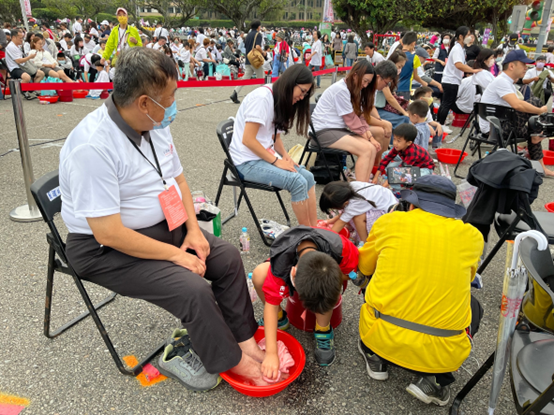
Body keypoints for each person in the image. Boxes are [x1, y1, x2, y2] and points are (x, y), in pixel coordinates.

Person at [59, 48, 268, 392]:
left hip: (161, 227)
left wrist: (192, 231)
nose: (174, 103)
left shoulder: (153, 122)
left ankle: (244, 340)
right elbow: (109, 233)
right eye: (170, 97)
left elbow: (179, 180)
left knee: (227, 257)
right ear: (144, 102)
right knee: (193, 290)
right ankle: (231, 360)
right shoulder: (92, 147)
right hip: (104, 248)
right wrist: (175, 254)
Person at [358, 175, 484, 407]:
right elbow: (465, 281)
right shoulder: (472, 236)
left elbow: (364, 267)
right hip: (440, 353)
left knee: (374, 278)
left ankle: (375, 356)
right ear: (450, 210)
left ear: (412, 204)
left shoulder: (390, 222)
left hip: (381, 336)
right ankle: (435, 381)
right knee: (473, 305)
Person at [251, 226, 359, 371]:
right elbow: (270, 305)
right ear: (293, 273)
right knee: (259, 275)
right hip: (290, 259)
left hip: (320, 266)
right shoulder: (281, 264)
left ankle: (323, 330)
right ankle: (280, 318)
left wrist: (340, 277)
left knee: (323, 290)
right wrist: (271, 353)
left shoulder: (343, 249)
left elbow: (356, 273)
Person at [229, 65, 317, 226]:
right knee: (297, 182)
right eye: (302, 91)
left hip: (262, 156)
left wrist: (286, 157)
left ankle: (314, 228)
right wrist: (277, 162)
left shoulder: (278, 96)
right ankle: (307, 235)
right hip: (246, 162)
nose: (303, 97)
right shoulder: (263, 98)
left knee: (308, 177)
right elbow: (248, 140)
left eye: (306, 94)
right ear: (291, 82)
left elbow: (275, 138)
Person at [312, 60, 391, 182]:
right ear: (355, 75)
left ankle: (364, 185)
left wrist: (370, 137)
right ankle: (361, 188)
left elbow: (359, 117)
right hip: (322, 132)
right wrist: (369, 137)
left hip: (337, 130)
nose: (365, 85)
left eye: (368, 83)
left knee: (371, 148)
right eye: (365, 81)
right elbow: (352, 121)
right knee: (365, 149)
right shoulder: (341, 90)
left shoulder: (352, 89)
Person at [479, 50, 553, 177]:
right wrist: (541, 111)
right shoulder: (502, 81)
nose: (526, 67)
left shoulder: (507, 81)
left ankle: (540, 164)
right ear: (512, 66)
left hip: (500, 124)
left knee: (534, 129)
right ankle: (540, 161)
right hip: (495, 128)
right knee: (534, 106)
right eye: (523, 65)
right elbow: (517, 105)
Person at [319, 181, 397, 243]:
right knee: (348, 213)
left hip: (389, 212)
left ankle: (364, 243)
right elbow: (344, 215)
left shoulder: (354, 204)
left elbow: (341, 222)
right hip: (386, 200)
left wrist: (326, 238)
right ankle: (354, 231)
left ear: (346, 202)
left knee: (357, 218)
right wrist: (329, 221)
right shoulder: (349, 188)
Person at [437, 26, 482, 125]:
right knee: (446, 104)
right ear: (461, 36)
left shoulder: (461, 49)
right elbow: (459, 65)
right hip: (451, 80)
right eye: (468, 35)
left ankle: (439, 124)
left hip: (451, 80)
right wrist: (473, 70)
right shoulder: (457, 49)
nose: (470, 37)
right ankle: (440, 125)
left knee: (445, 103)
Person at [373, 124, 435, 188]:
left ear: (409, 143)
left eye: (398, 141)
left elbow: (400, 171)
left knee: (402, 179)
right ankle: (393, 179)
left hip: (424, 168)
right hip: (409, 164)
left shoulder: (412, 152)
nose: (394, 143)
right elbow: (387, 159)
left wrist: (382, 188)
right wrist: (376, 176)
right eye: (394, 139)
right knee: (387, 158)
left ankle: (402, 187)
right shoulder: (398, 146)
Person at [230, 20, 266, 104]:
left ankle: (235, 92)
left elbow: (246, 46)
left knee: (245, 78)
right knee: (261, 79)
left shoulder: (248, 35)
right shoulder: (258, 34)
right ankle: (262, 98)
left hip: (248, 59)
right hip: (255, 60)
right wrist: (263, 52)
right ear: (258, 27)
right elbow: (257, 46)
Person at [4, 28, 45, 99]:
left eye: (22, 38)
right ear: (13, 37)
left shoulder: (18, 46)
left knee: (41, 74)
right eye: (20, 38)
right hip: (15, 68)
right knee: (27, 77)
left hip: (23, 66)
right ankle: (21, 91)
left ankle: (31, 89)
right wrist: (29, 57)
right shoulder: (11, 47)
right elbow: (18, 61)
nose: (21, 40)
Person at [375, 51, 410, 130]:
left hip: (381, 108)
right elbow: (390, 98)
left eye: (402, 67)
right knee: (404, 119)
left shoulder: (389, 79)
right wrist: (404, 112)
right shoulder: (383, 78)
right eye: (399, 66)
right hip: (378, 109)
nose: (400, 69)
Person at [396, 32, 427, 100]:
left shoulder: (396, 54)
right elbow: (415, 76)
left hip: (393, 87)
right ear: (413, 43)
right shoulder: (414, 57)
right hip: (405, 88)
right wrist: (423, 83)